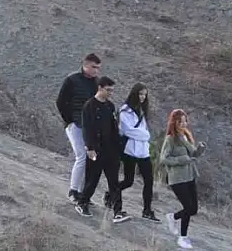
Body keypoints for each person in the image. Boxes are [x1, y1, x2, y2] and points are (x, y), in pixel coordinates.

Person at [75, 76, 129, 223]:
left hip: (111, 150)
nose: (110, 93)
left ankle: (118, 211)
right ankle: (82, 202)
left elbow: (113, 128)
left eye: (112, 90)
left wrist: (119, 148)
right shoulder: (89, 106)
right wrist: (90, 148)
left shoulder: (110, 106)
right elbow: (87, 129)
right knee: (92, 179)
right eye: (108, 90)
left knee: (114, 183)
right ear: (100, 88)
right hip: (96, 150)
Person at [55, 53, 102, 205]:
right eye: (94, 67)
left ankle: (84, 193)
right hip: (75, 124)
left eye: (98, 68)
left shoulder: (96, 83)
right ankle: (73, 191)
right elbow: (61, 101)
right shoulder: (72, 80)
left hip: (89, 126)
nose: (96, 70)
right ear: (85, 65)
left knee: (91, 158)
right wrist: (69, 120)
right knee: (81, 156)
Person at [160, 109, 206, 249]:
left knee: (193, 209)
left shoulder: (185, 135)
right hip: (177, 178)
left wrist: (200, 149)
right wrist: (182, 159)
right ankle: (183, 237)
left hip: (190, 175)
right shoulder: (170, 139)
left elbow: (193, 155)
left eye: (185, 121)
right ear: (174, 122)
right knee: (188, 207)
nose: (183, 124)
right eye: (180, 121)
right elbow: (163, 159)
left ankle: (173, 217)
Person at [113, 83, 158, 221]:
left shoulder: (142, 111)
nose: (143, 97)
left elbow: (140, 131)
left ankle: (147, 210)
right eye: (140, 94)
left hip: (143, 151)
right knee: (128, 181)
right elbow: (128, 130)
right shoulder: (125, 110)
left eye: (145, 94)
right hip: (130, 150)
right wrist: (145, 135)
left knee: (149, 180)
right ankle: (111, 194)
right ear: (134, 94)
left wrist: (143, 135)